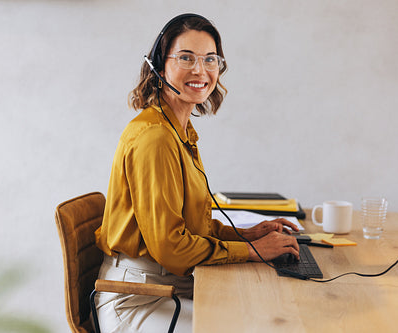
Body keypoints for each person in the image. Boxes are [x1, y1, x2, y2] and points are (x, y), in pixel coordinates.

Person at [94, 13, 300, 332]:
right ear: (159, 66)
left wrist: (247, 234)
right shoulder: (155, 138)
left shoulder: (178, 129)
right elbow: (171, 248)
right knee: (254, 325)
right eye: (186, 58)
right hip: (137, 299)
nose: (200, 70)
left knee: (270, 309)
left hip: (170, 285)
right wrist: (252, 250)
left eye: (210, 59)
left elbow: (191, 226)